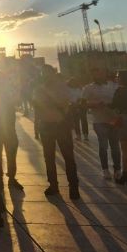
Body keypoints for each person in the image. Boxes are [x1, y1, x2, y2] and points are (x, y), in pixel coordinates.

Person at [32, 66, 79, 199]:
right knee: (53, 157)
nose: (46, 76)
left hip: (57, 125)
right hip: (50, 125)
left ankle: (69, 187)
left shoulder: (55, 88)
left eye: (47, 73)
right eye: (44, 73)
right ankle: (59, 186)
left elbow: (64, 103)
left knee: (63, 157)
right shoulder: (42, 88)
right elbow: (38, 107)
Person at [82, 68, 120, 180]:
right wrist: (94, 104)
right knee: (103, 146)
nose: (99, 75)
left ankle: (118, 169)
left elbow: (119, 99)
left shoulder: (113, 85)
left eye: (101, 73)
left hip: (114, 119)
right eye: (96, 73)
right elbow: (82, 103)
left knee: (115, 146)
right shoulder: (88, 88)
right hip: (99, 121)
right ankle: (105, 169)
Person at [0, 72, 23, 190]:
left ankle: (9, 178)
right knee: (1, 156)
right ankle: (4, 179)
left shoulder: (7, 93)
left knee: (6, 155)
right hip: (0, 130)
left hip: (7, 129)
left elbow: (17, 102)